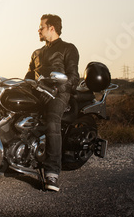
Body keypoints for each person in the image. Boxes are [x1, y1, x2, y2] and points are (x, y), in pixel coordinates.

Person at [25, 14, 79, 192]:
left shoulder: (68, 48)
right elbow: (28, 77)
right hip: (38, 92)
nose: (38, 30)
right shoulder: (36, 53)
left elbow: (73, 77)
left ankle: (52, 173)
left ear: (52, 28)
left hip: (58, 93)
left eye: (41, 26)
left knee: (52, 119)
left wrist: (56, 89)